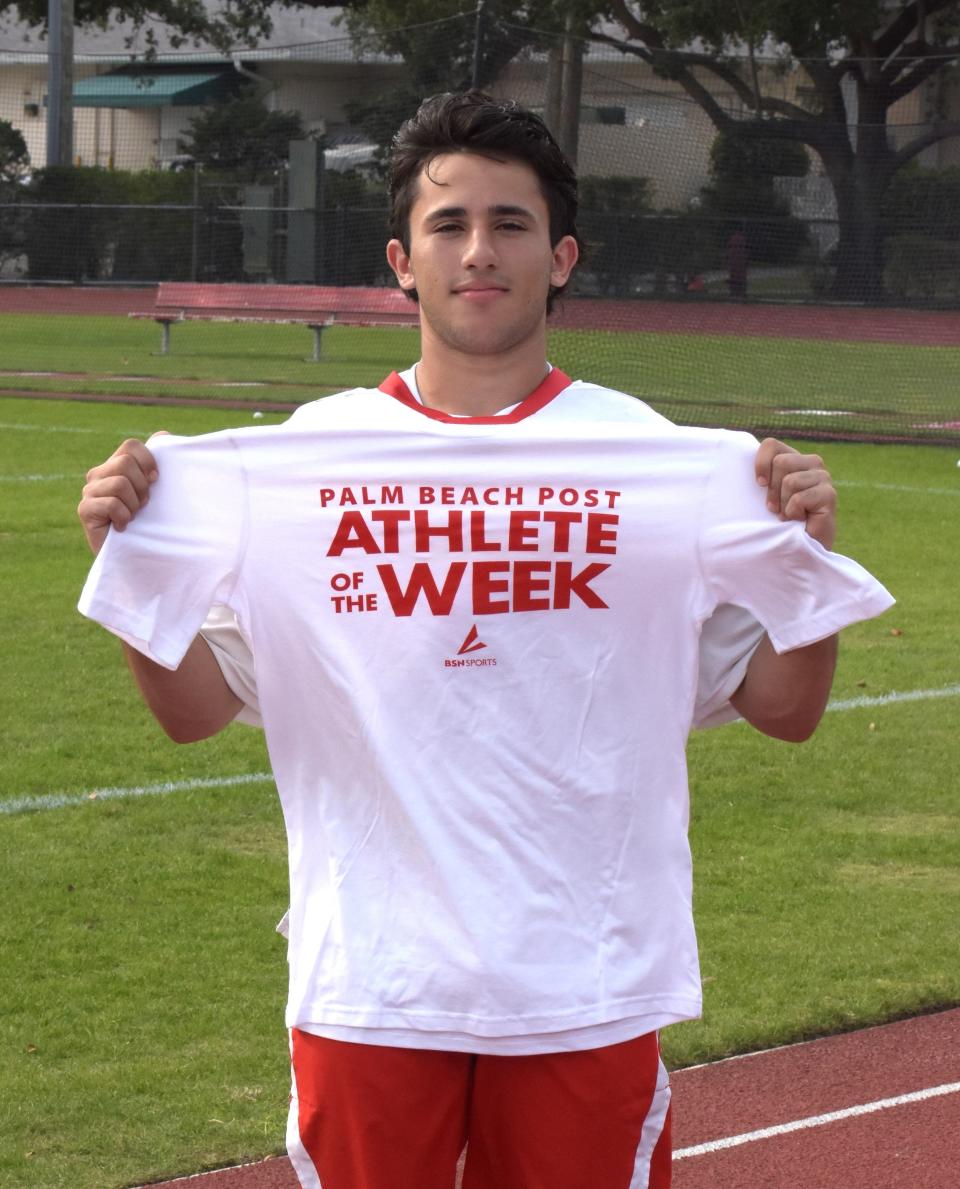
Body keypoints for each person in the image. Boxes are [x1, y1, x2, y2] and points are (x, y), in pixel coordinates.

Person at [77, 92, 893, 1189]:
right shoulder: (301, 464)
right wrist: (139, 558)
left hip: (585, 980)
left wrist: (805, 558)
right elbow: (191, 711)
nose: (479, 251)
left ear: (561, 257)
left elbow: (787, 711)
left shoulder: (656, 458)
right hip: (374, 974)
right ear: (400, 261)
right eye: (448, 224)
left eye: (510, 224)